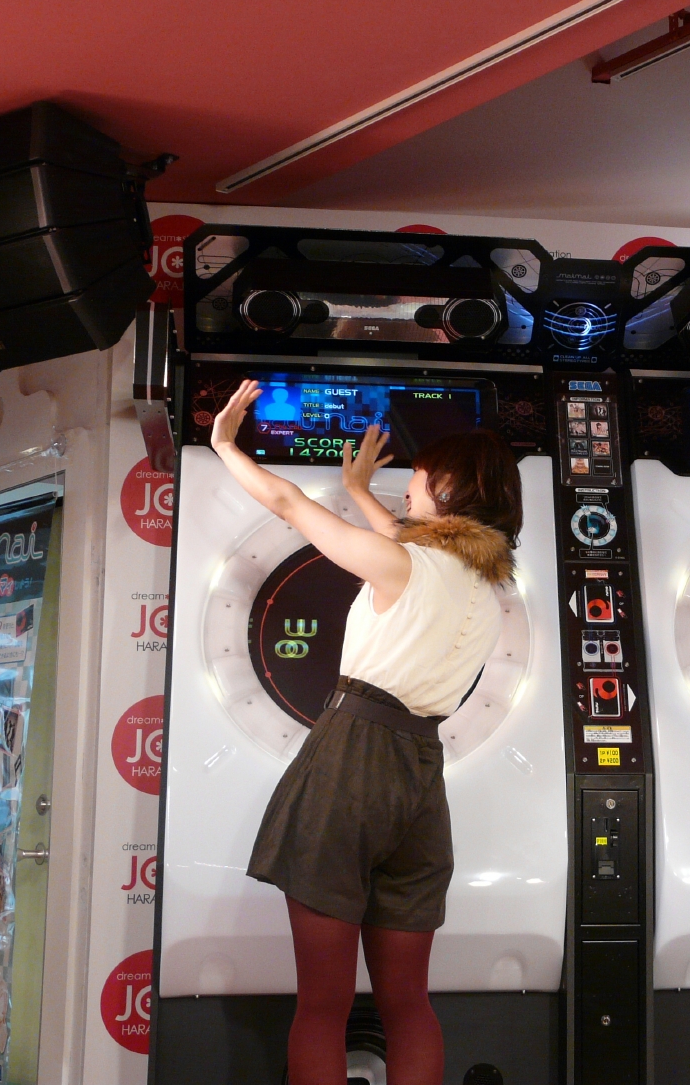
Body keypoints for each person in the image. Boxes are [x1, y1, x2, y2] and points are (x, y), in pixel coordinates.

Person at [208, 379, 522, 1085]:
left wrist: (225, 444)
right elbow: (409, 546)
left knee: (323, 1006)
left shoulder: (404, 564)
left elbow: (290, 504)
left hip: (351, 756)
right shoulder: (487, 592)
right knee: (408, 1004)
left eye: (418, 478)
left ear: (445, 488)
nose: (407, 490)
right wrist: (359, 492)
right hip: (422, 773)